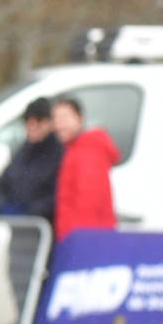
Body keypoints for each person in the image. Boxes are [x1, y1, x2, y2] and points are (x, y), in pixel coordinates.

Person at [0, 96, 62, 309]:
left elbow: (58, 194)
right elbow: (3, 183)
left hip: (43, 235)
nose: (32, 127)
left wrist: (32, 213)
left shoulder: (58, 153)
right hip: (19, 234)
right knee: (18, 281)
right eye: (28, 122)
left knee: (40, 286)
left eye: (38, 121)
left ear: (49, 123)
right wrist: (2, 208)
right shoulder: (22, 152)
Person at [51, 96, 118, 243]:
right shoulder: (74, 149)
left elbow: (89, 204)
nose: (59, 125)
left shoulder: (88, 149)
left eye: (64, 118)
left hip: (84, 240)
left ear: (80, 118)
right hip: (81, 238)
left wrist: (75, 240)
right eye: (55, 119)